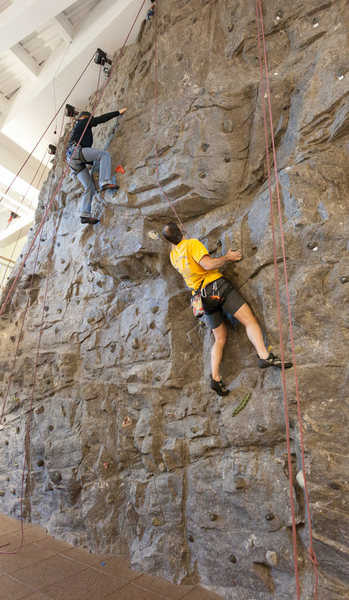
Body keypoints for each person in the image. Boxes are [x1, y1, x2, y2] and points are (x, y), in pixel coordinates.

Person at [162, 222, 292, 396]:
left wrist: (177, 233)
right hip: (216, 287)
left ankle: (215, 378)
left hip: (201, 298)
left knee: (219, 338)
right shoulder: (192, 244)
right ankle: (263, 355)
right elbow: (207, 265)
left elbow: (175, 242)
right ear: (180, 230)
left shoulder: (173, 256)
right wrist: (228, 257)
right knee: (249, 320)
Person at [66, 108, 126, 225]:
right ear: (86, 117)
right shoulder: (83, 121)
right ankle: (104, 181)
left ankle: (84, 214)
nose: (91, 125)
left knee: (89, 187)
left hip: (73, 162)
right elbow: (100, 119)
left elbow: (87, 157)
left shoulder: (77, 130)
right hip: (76, 152)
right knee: (104, 154)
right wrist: (118, 112)